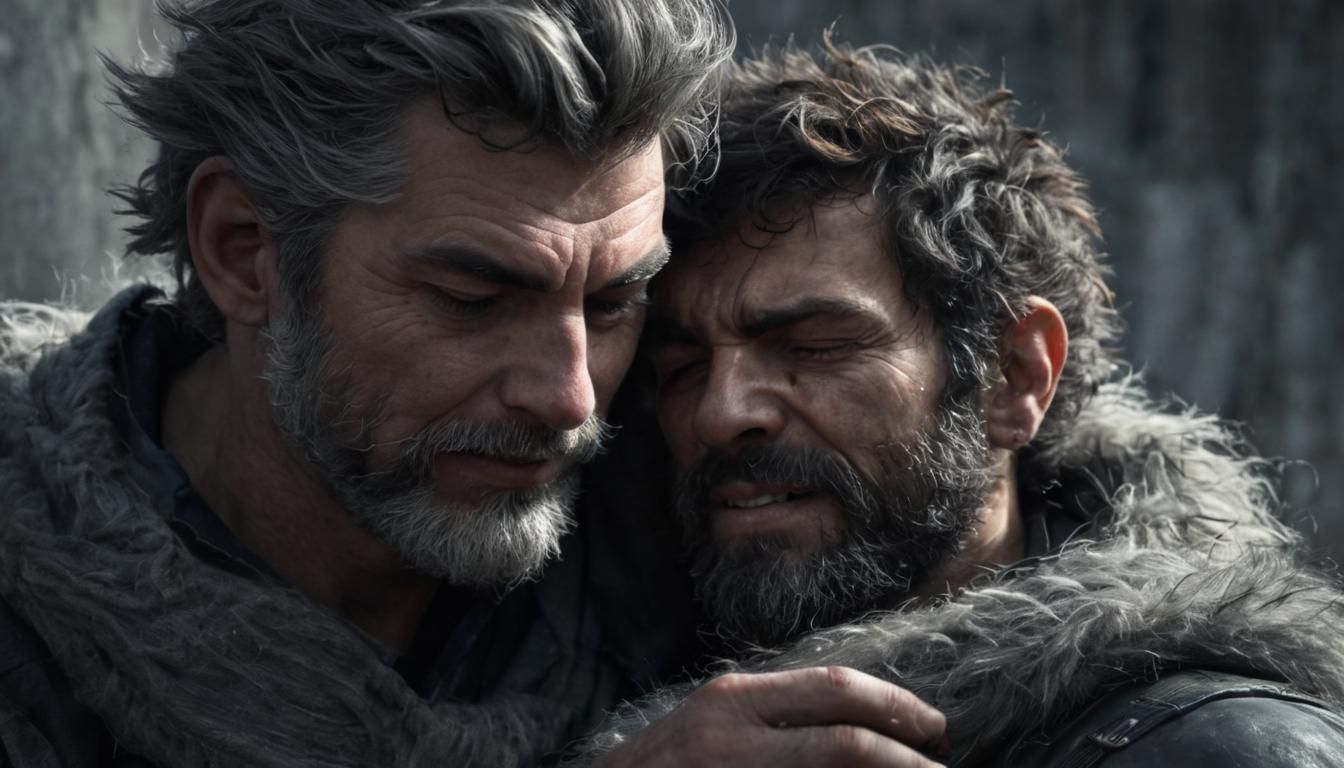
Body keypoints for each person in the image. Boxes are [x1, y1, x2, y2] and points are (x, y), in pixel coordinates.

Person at [0, 0, 741, 764]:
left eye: (614, 303)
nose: (569, 398)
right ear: (242, 250)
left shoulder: (687, 544)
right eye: (472, 300)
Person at [574, 41, 1344, 766]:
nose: (719, 412)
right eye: (681, 366)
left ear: (1015, 376)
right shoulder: (569, 677)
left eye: (813, 346)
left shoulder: (1223, 747)